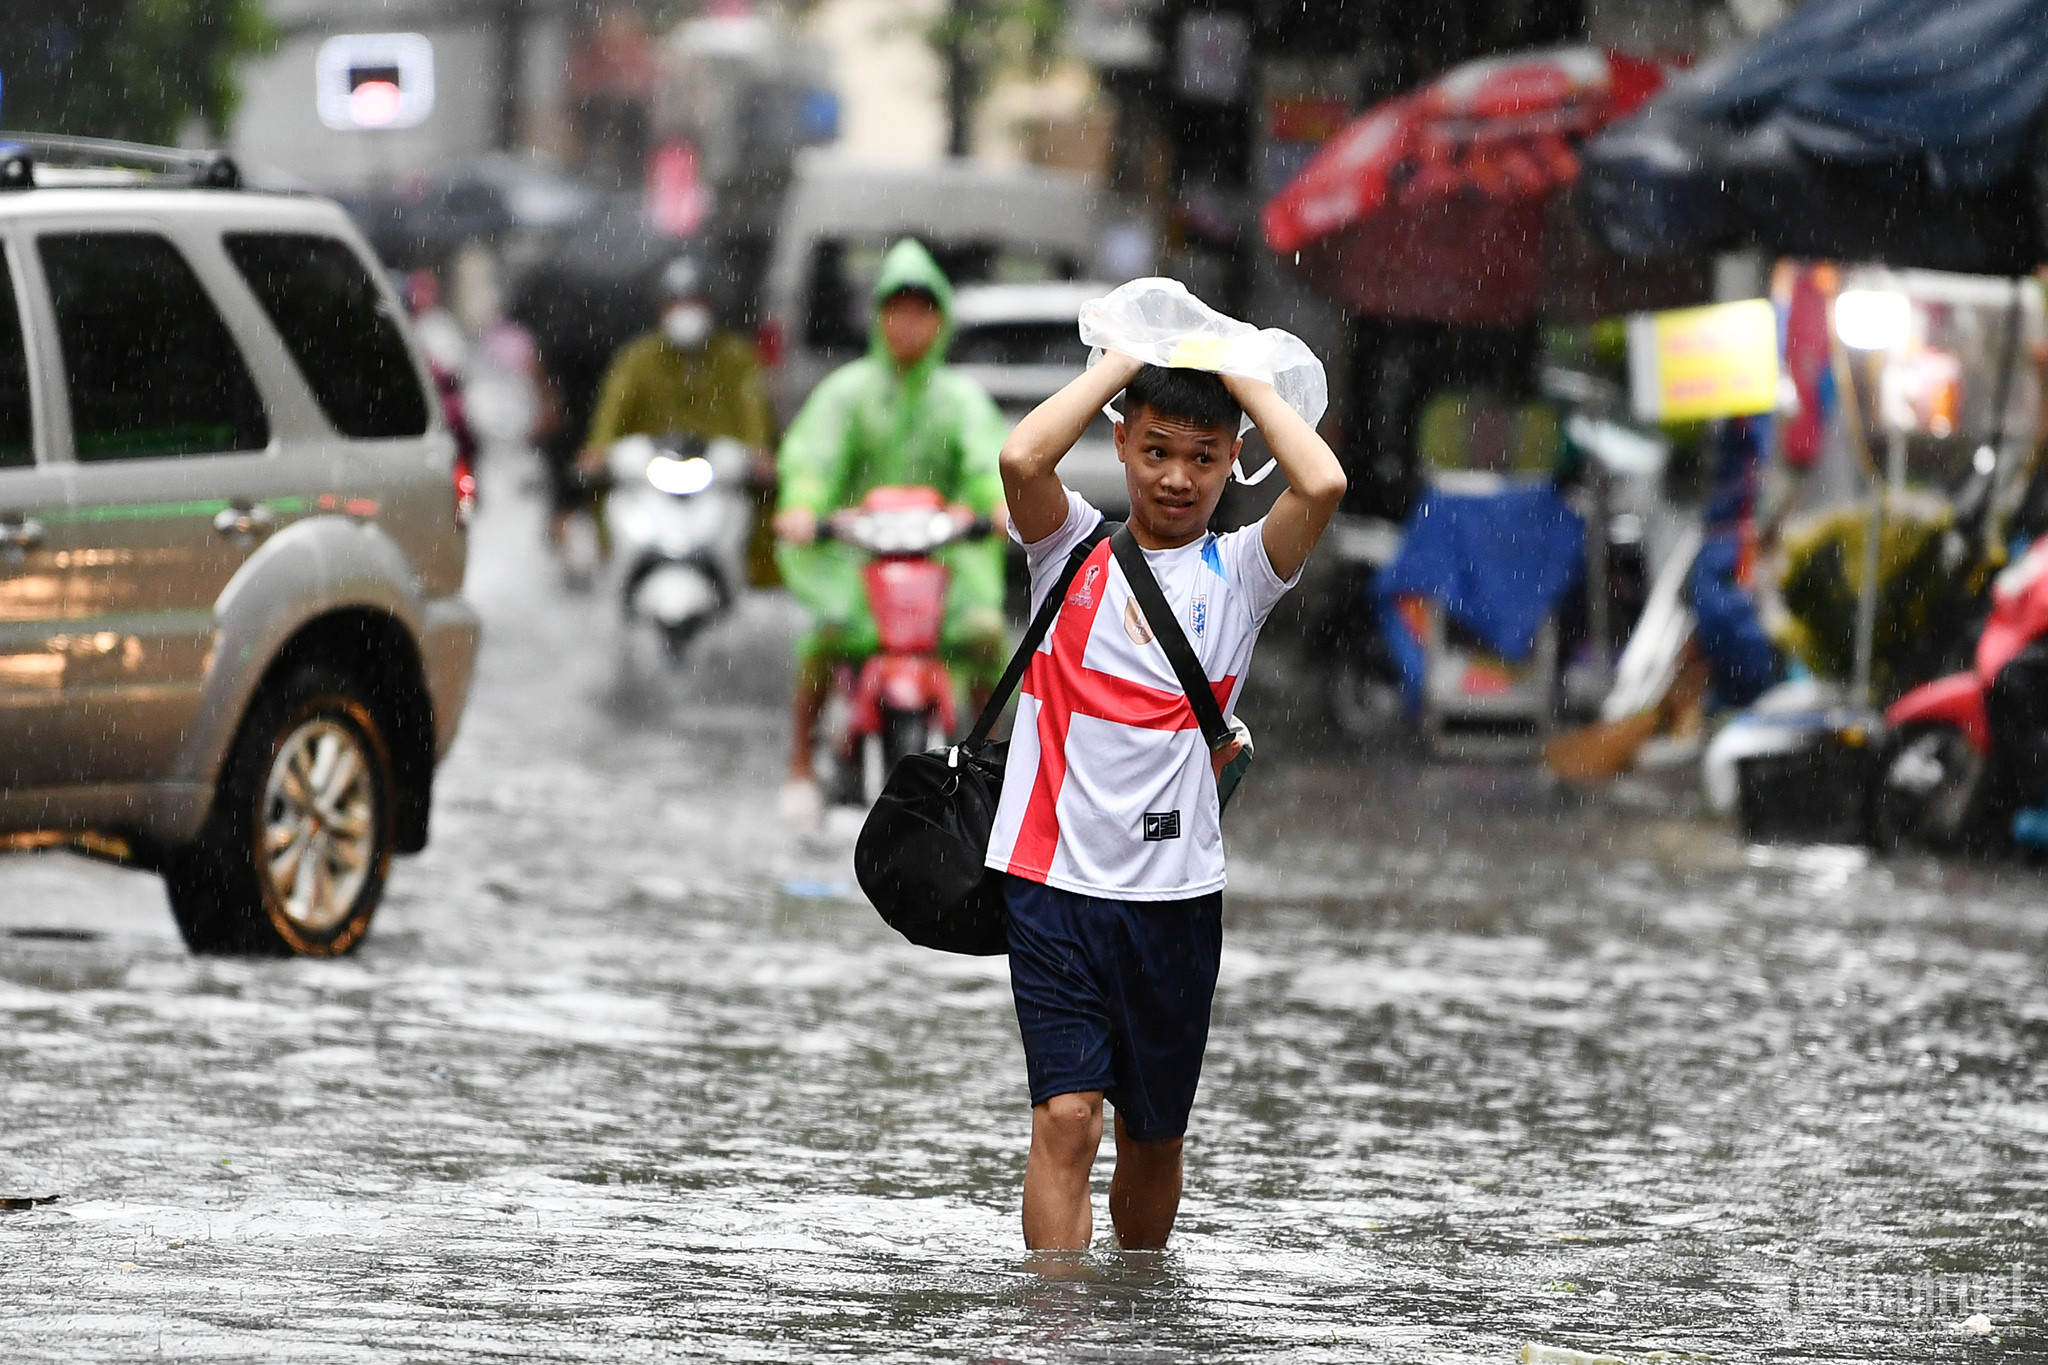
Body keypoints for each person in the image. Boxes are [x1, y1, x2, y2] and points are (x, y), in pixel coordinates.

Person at [991, 347, 1346, 1252]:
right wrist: (1119, 362)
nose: (1177, 477)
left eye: (1202, 455)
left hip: (1174, 901)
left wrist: (1246, 377)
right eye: (1155, 451)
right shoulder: (1067, 547)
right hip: (1050, 883)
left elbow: (1324, 481)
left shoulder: (1243, 575)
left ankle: (1138, 1320)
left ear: (1234, 458)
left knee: (1154, 1141)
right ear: (1120, 444)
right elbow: (1022, 460)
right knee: (1067, 1119)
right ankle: (1056, 1334)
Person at [773, 239, 1009, 824]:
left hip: (943, 571)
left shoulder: (961, 400)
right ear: (879, 316)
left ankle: (998, 766)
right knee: (823, 640)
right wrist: (805, 507)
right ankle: (801, 763)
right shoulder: (847, 393)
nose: (909, 323)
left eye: (922, 310)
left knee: (985, 637)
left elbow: (989, 464)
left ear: (941, 319)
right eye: (897, 309)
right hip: (859, 571)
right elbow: (812, 459)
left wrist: (997, 506)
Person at [576, 256, 774, 557]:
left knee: (748, 529)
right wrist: (599, 449)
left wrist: (759, 452)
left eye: (695, 302)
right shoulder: (638, 357)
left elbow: (753, 407)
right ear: (661, 309)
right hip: (649, 473)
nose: (686, 312)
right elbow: (614, 406)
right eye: (677, 304)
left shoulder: (736, 357)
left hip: (719, 475)